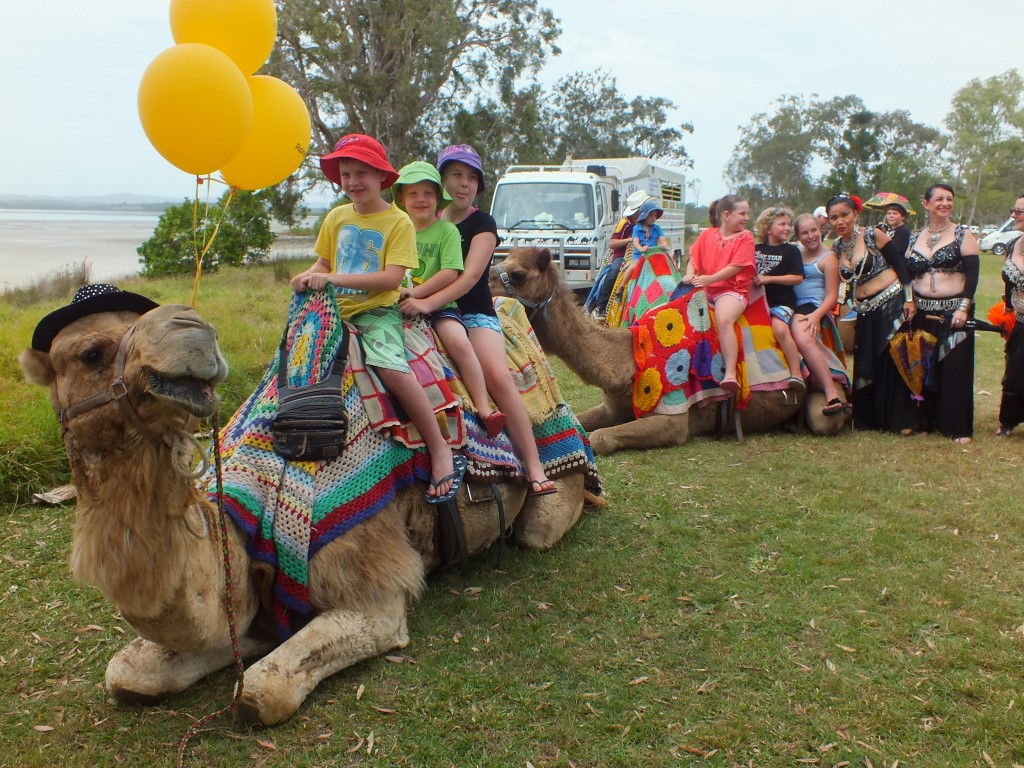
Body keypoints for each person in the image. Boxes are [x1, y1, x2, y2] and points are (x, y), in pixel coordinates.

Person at [290, 134, 466, 504]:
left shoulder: (397, 222)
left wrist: (334, 278)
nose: (352, 181)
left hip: (377, 311)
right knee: (293, 357)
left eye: (361, 173)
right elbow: (324, 262)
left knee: (389, 367)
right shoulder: (336, 216)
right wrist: (308, 276)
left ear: (381, 177)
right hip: (333, 309)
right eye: (345, 173)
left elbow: (390, 278)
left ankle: (439, 447)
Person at [399, 143, 556, 496]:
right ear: (440, 180)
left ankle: (533, 465)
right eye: (456, 174)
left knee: (498, 375)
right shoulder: (421, 220)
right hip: (424, 306)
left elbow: (468, 278)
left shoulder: (482, 223)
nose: (464, 183)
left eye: (472, 177)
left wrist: (424, 302)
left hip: (471, 311)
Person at [392, 160, 507, 439]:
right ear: (401, 198)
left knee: (458, 342)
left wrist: (419, 295)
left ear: (437, 196)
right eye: (413, 194)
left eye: (428, 193)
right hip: (399, 303)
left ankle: (483, 407)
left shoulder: (447, 231)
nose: (421, 200)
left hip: (440, 305)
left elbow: (452, 273)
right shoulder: (397, 229)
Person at [828, 193, 916, 434]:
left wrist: (909, 299)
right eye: (834, 217)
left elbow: (900, 265)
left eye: (845, 214)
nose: (840, 221)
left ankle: (901, 421)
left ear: (855, 214)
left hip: (891, 301)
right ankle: (868, 420)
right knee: (866, 362)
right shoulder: (836, 247)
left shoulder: (872, 235)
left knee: (892, 361)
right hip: (864, 310)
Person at [904, 183, 981, 443]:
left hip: (953, 311)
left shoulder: (962, 235)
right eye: (939, 199)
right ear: (926, 204)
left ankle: (956, 426)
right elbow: (907, 275)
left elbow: (972, 275)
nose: (945, 203)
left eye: (949, 199)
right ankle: (925, 420)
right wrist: (909, 301)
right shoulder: (915, 237)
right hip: (922, 311)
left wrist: (964, 307)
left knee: (953, 368)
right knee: (923, 367)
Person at [682, 195, 756, 393]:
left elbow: (737, 266)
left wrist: (709, 279)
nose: (746, 217)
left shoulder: (745, 237)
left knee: (724, 320)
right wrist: (690, 274)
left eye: (746, 213)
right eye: (742, 213)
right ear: (726, 215)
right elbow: (694, 258)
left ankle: (730, 373)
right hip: (707, 288)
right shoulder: (707, 235)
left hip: (731, 290)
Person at [791, 213, 848, 414]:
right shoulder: (794, 252)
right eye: (804, 232)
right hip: (789, 304)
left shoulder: (828, 257)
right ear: (797, 235)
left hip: (812, 305)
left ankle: (831, 391)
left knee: (804, 339)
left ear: (820, 229)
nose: (810, 236)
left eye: (813, 230)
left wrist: (816, 315)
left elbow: (832, 296)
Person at [753, 206, 805, 390]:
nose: (787, 228)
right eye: (782, 224)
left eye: (789, 224)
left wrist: (769, 278)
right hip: (755, 302)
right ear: (768, 228)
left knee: (780, 329)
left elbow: (798, 277)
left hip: (781, 302)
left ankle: (796, 374)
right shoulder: (755, 248)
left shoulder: (791, 251)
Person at [585, 190, 652, 318]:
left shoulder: (649, 223)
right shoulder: (625, 223)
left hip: (643, 254)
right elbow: (612, 243)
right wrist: (629, 240)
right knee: (614, 271)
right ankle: (601, 307)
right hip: (624, 255)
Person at [996, 195, 1024, 436]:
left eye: (1019, 212)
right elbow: (1009, 281)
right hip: (1021, 322)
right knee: (1014, 374)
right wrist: (1007, 310)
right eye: (1013, 210)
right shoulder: (1013, 244)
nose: (1013, 215)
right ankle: (1008, 422)